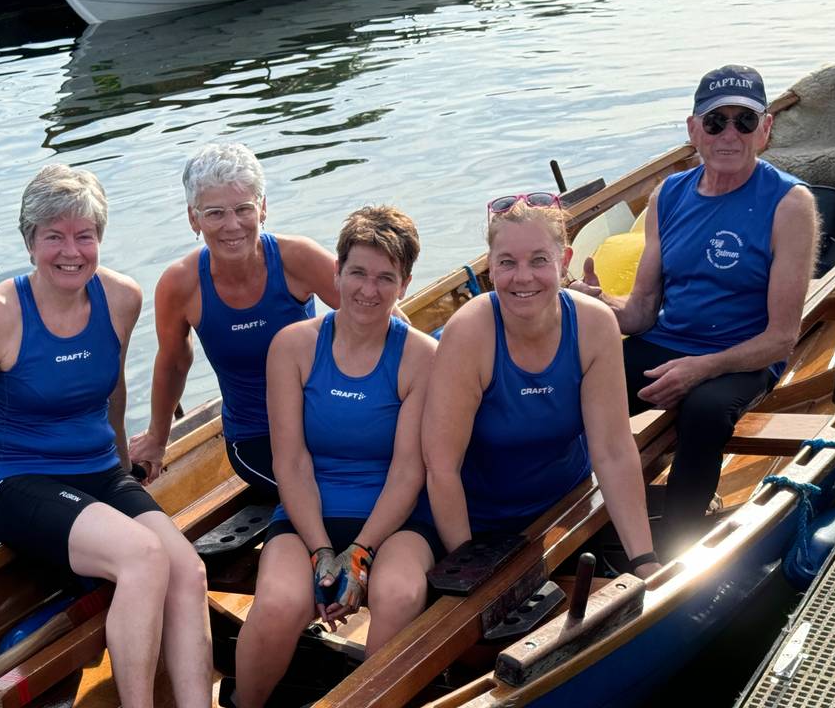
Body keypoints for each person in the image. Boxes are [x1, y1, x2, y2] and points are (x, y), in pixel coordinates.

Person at [0, 165, 211, 708]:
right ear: (30, 241)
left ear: (100, 239)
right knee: (142, 556)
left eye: (84, 236)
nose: (71, 251)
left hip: (99, 473)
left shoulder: (121, 299)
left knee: (188, 569)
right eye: (53, 236)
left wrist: (125, 467)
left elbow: (113, 393)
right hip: (19, 483)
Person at [571, 65, 819, 553]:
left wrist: (700, 369)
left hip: (745, 355)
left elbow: (782, 337)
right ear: (693, 130)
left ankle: (674, 548)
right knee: (580, 389)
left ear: (765, 130)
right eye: (715, 122)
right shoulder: (669, 195)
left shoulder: (791, 204)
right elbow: (642, 311)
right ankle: (565, 515)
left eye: (744, 122)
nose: (730, 134)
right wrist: (594, 305)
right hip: (670, 341)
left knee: (704, 413)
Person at [232, 206, 440, 708]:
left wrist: (361, 553)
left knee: (397, 596)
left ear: (405, 283)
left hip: (396, 520)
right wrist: (324, 551)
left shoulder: (421, 356)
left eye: (385, 278)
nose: (369, 290)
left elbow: (409, 469)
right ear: (337, 273)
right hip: (309, 512)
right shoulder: (293, 346)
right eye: (358, 273)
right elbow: (291, 463)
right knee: (281, 602)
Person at [423, 193, 659, 578]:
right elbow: (442, 468)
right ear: (490, 269)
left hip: (567, 509)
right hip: (476, 526)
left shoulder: (594, 325)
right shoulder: (469, 332)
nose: (523, 277)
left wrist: (644, 560)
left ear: (563, 262)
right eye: (507, 263)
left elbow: (613, 452)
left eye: (538, 260)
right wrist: (469, 571)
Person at [129, 143, 340, 497]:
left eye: (243, 209)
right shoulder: (179, 285)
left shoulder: (298, 258)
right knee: (333, 494)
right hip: (256, 438)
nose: (232, 225)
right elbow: (173, 364)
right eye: (214, 213)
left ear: (263, 208)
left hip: (327, 418)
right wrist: (156, 438)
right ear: (193, 218)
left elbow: (380, 316)